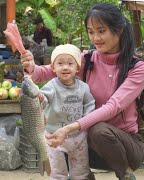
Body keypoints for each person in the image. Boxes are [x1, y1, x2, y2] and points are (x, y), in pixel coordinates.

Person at [21, 3, 144, 180]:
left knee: (97, 130)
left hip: (125, 146)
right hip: (87, 142)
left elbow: (112, 107)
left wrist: (70, 128)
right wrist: (30, 68)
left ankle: (125, 174)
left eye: (101, 30)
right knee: (61, 135)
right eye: (91, 32)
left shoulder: (137, 68)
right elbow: (48, 71)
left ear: (119, 30)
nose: (95, 37)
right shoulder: (87, 59)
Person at [36, 44, 95, 179]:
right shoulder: (52, 86)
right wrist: (40, 98)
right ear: (53, 67)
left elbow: (90, 104)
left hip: (78, 137)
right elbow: (44, 98)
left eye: (70, 63)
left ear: (77, 67)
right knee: (57, 172)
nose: (65, 67)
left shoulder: (83, 87)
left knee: (81, 171)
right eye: (60, 63)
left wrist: (86, 121)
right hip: (53, 136)